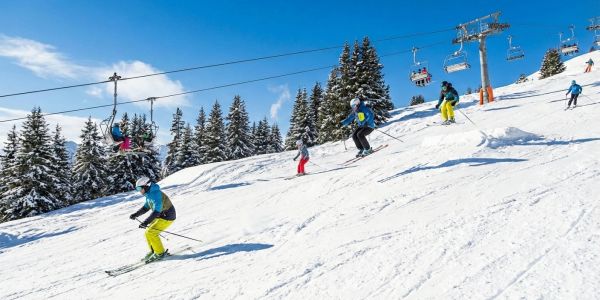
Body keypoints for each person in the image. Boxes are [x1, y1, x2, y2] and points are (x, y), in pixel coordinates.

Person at [129, 176, 177, 263]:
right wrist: (136, 214)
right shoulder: (149, 194)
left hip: (167, 216)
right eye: (137, 189)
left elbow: (156, 212)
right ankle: (154, 251)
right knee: (148, 233)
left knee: (151, 232)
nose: (139, 191)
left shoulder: (155, 194)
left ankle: (160, 253)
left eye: (139, 188)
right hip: (161, 216)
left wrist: (145, 222)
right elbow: (146, 207)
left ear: (146, 186)